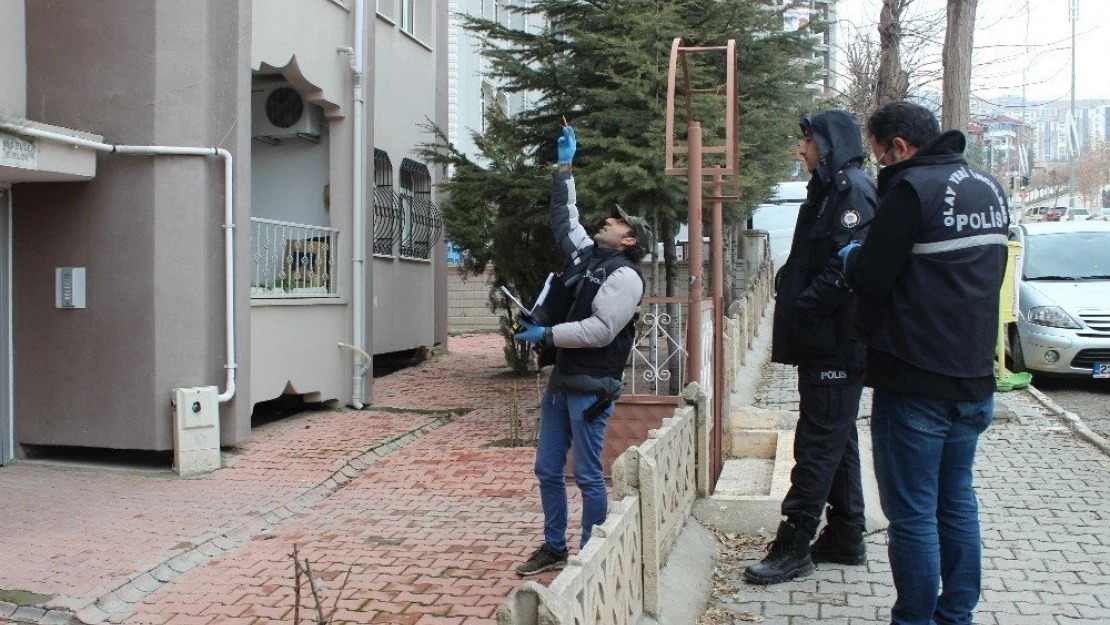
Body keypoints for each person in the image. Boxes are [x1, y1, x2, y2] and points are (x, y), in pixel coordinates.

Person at [840, 100, 1008, 625]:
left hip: (916, 378)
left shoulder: (912, 190)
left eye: (880, 155)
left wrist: (849, 258)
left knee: (912, 514)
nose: (880, 166)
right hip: (975, 379)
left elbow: (870, 277)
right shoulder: (990, 187)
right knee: (956, 503)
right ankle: (956, 615)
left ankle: (914, 619)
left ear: (900, 147)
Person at [744, 109, 877, 585]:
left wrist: (804, 307)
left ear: (829, 143)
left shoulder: (852, 191)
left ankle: (794, 543)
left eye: (807, 140)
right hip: (825, 340)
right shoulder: (827, 191)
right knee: (837, 438)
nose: (800, 150)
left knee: (817, 442)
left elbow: (847, 267)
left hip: (837, 342)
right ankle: (845, 534)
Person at [512, 126, 652, 576]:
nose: (608, 221)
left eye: (618, 222)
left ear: (629, 241)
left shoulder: (626, 277)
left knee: (589, 475)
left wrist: (547, 336)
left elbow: (600, 330)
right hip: (562, 383)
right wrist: (565, 167)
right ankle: (555, 547)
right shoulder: (586, 256)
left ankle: (591, 558)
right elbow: (563, 217)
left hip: (591, 389)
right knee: (548, 469)